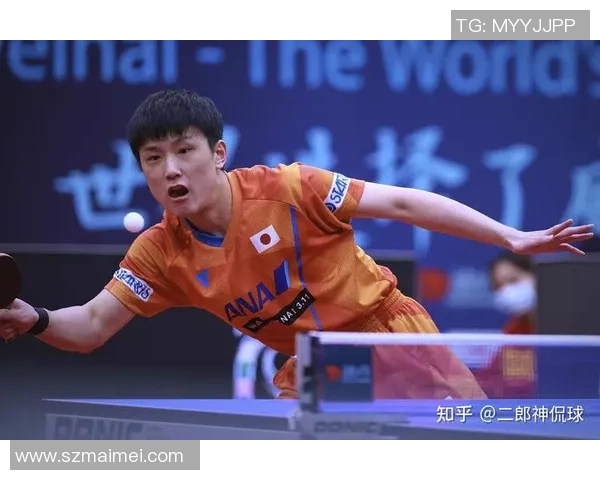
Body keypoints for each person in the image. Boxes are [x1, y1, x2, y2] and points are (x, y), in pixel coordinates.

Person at [0, 89, 594, 400]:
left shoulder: (289, 188)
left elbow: (405, 203)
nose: (171, 168)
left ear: (218, 153)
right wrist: (35, 319)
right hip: (317, 368)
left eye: (184, 150)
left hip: (391, 338)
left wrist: (510, 236)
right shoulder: (159, 253)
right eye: (153, 158)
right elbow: (92, 325)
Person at [471, 252, 537, 398]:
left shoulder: (569, 326)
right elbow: (490, 379)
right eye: (499, 287)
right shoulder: (516, 329)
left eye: (513, 280)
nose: (507, 291)